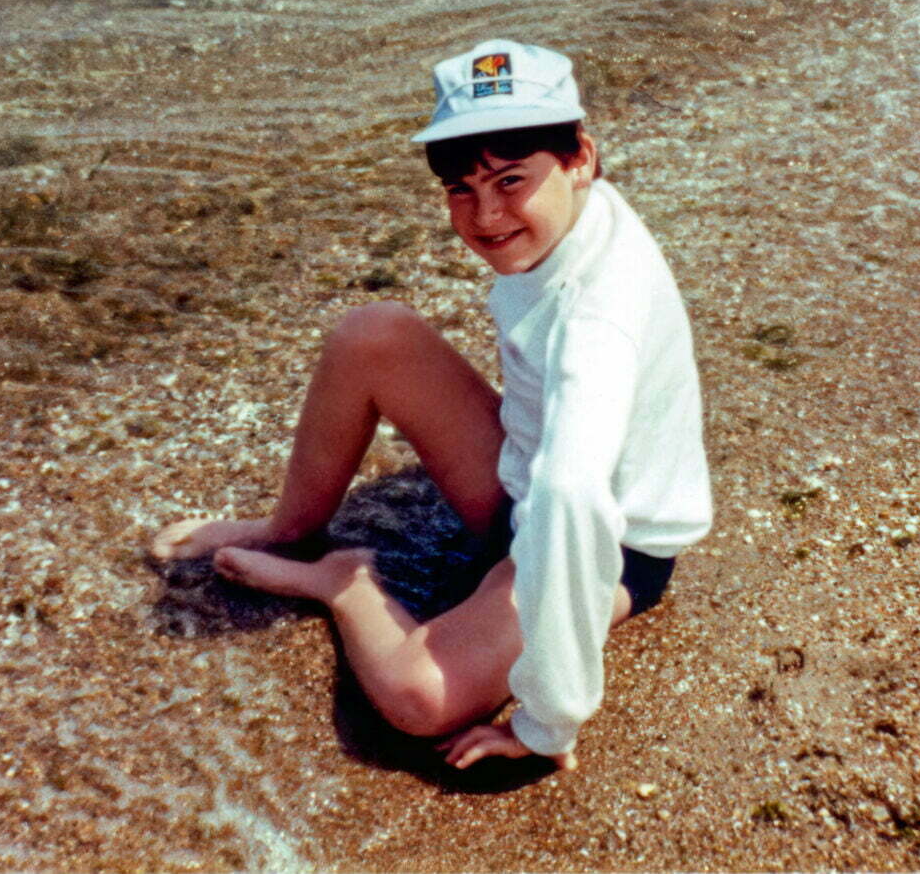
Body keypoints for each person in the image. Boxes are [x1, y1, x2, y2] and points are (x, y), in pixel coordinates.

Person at [151, 38, 712, 771]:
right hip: (524, 477)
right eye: (461, 189)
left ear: (581, 157)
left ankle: (344, 583)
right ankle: (290, 527)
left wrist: (547, 723)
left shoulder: (596, 319)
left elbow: (575, 500)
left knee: (416, 699)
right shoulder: (578, 210)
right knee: (371, 335)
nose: (486, 217)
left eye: (511, 181)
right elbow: (554, 473)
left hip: (608, 547)